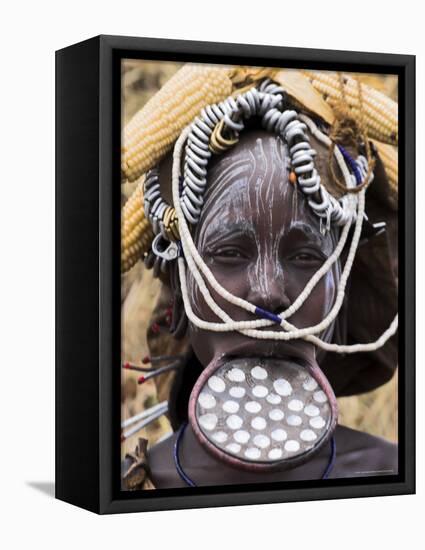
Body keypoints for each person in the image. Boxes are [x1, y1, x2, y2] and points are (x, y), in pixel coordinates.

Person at [121, 67, 398, 490]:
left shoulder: (391, 476)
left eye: (306, 256)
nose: (268, 291)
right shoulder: (131, 485)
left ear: (341, 290)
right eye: (230, 254)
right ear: (180, 285)